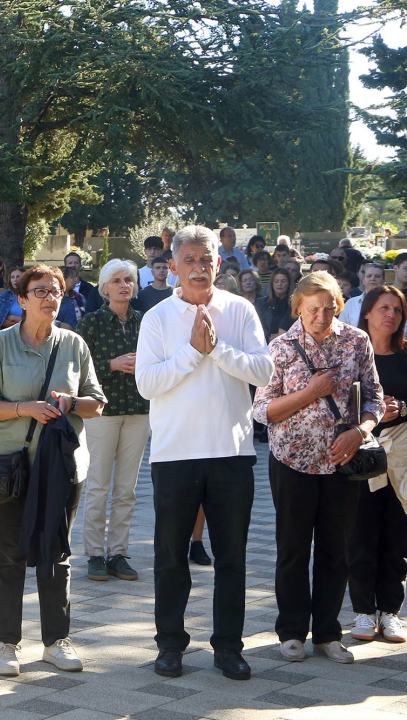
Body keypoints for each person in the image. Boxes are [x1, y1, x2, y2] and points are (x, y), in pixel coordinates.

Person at [135, 225, 273, 681]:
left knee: (231, 558)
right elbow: (147, 384)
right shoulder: (156, 317)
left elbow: (263, 371)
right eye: (189, 259)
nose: (199, 267)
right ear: (172, 265)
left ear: (219, 262)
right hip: (175, 454)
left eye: (206, 259)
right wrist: (193, 354)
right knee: (172, 557)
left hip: (231, 452)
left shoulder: (240, 309)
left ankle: (229, 647)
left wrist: (217, 349)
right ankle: (170, 645)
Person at [0, 264, 106, 677]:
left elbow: (97, 403)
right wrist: (24, 408)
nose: (50, 297)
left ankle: (56, 641)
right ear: (22, 298)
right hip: (9, 466)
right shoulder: (0, 344)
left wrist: (70, 402)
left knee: (56, 555)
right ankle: (5, 644)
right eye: (41, 290)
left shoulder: (73, 344)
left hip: (61, 468)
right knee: (9, 555)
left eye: (56, 291)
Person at [253, 271, 382, 664]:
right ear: (298, 308)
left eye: (329, 308)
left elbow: (374, 398)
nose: (322, 316)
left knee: (336, 550)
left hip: (342, 463)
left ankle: (328, 633)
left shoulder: (357, 342)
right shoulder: (280, 348)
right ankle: (292, 631)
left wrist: (360, 431)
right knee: (292, 549)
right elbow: (261, 410)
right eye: (314, 309)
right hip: (292, 460)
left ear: (340, 307)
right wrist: (309, 393)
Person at [76, 259, 149, 584]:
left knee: (126, 489)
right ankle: (94, 554)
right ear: (105, 288)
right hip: (102, 412)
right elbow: (76, 368)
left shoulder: (145, 322)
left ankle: (118, 553)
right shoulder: (91, 323)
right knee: (99, 484)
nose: (124, 285)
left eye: (129, 280)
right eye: (117, 281)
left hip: (138, 410)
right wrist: (112, 365)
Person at [349, 286, 407, 644]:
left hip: (401, 456)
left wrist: (401, 407)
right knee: (360, 533)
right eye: (384, 307)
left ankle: (391, 612)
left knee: (396, 535)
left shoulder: (405, 357)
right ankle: (362, 612)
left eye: (398, 310)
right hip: (361, 457)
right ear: (366, 312)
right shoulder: (351, 356)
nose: (391, 315)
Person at [0, 266, 26, 342]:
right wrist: (21, 322)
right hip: (7, 337)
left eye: (18, 277)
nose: (15, 280)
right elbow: (0, 322)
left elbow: (31, 322)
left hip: (26, 336)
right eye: (12, 277)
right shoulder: (4, 296)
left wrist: (12, 318)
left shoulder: (30, 296)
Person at [255, 267, 295, 341]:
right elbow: (256, 325)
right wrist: (268, 337)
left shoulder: (294, 305)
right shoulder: (261, 303)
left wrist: (282, 336)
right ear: (272, 284)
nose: (279, 284)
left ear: (289, 283)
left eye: (283, 281)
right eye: (276, 281)